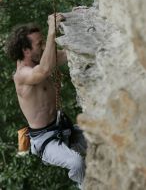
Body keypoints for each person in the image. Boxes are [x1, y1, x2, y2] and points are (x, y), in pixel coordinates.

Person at [6, 13, 87, 188]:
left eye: (43, 42)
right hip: (46, 140)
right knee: (76, 163)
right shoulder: (21, 75)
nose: (43, 47)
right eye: (39, 44)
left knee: (101, 134)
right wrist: (51, 31)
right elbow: (43, 71)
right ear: (26, 51)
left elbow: (67, 54)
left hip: (64, 129)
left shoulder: (41, 59)